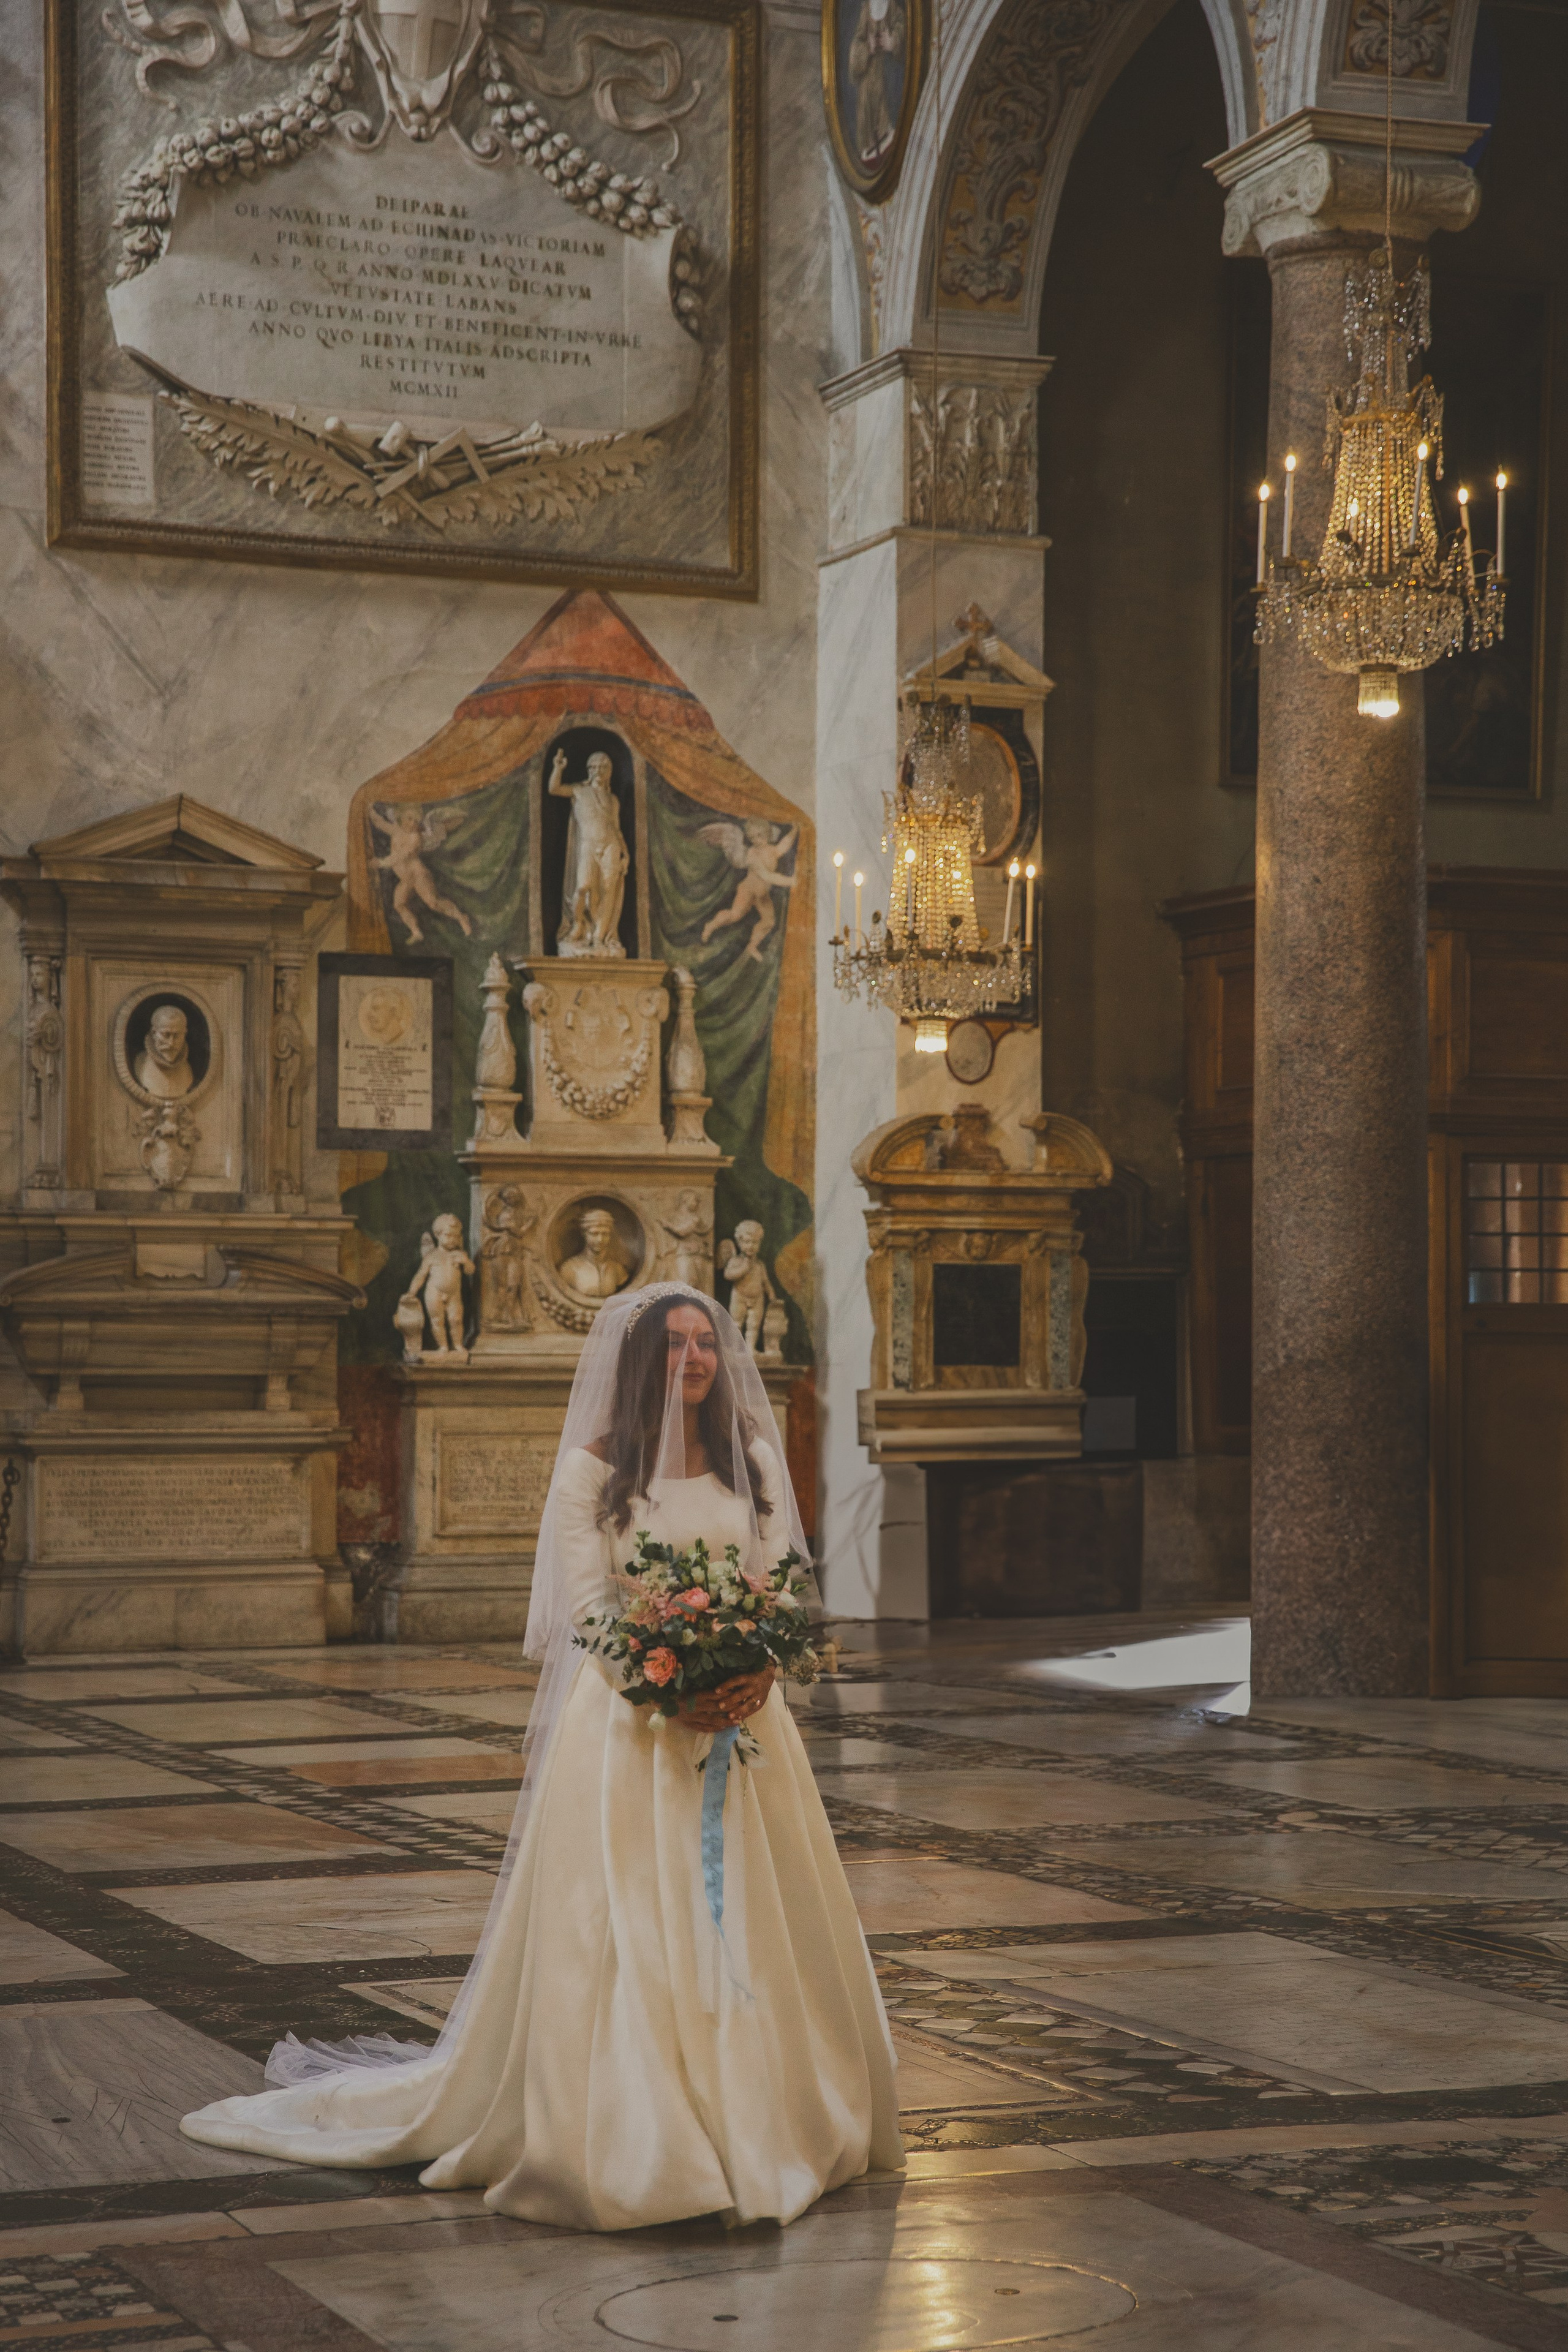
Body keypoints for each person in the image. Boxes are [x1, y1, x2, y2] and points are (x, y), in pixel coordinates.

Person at [181, 1285, 902, 2230]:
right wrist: (662, 1685)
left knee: (758, 1926)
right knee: (632, 1931)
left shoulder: (754, 1460)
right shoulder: (591, 1473)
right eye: (676, 1345)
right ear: (641, 1363)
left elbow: (776, 1584)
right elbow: (590, 1611)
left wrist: (755, 1674)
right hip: (630, 1741)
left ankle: (772, 2113)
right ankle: (646, 2134)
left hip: (745, 1730)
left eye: (705, 1344)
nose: (694, 1359)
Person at [135, 1003, 195, 1098]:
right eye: (166, 1035)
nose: (171, 1043)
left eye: (177, 1036)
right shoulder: (140, 1064)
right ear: (154, 1033)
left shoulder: (187, 1070)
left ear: (185, 1034)